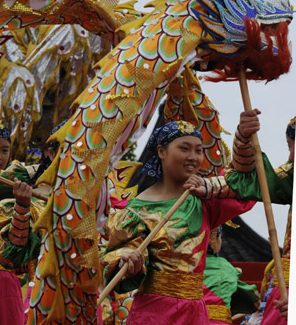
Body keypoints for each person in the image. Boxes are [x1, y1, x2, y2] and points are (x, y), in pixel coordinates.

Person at [101, 120, 255, 325]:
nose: (193, 157)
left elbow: (243, 186)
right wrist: (127, 261)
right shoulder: (136, 210)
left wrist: (243, 139)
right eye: (184, 148)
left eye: (199, 150)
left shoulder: (204, 200)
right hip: (155, 313)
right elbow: (116, 256)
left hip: (195, 314)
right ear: (161, 151)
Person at [225, 111, 295, 324]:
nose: (291, 156)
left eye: (294, 146)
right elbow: (251, 180)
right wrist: (244, 140)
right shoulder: (292, 177)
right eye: (289, 146)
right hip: (284, 299)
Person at [0, 119, 43, 325]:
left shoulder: (13, 192)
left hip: (6, 287)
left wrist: (22, 207)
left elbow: (13, 254)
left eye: (5, 150)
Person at [203, 226, 260, 325]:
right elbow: (248, 293)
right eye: (220, 237)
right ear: (214, 242)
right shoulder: (223, 266)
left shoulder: (187, 264)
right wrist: (256, 301)